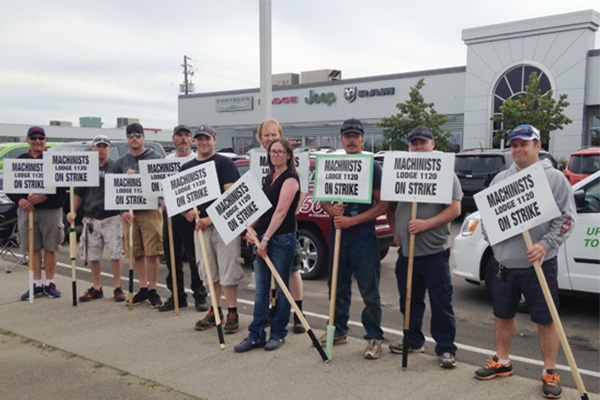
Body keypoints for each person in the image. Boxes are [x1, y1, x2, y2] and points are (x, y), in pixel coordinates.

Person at [474, 125, 576, 399]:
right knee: (502, 315)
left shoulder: (554, 179)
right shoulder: (500, 180)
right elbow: (487, 217)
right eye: (514, 144)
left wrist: (545, 244)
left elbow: (567, 218)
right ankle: (503, 362)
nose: (518, 149)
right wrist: (493, 241)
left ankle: (550, 371)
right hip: (505, 265)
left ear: (538, 145)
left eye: (524, 144)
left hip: (539, 266)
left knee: (546, 319)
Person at [385, 126, 462, 369]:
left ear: (433, 144)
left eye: (422, 143)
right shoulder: (400, 171)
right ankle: (413, 340)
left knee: (441, 302)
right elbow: (390, 207)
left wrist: (425, 224)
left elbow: (455, 209)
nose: (418, 147)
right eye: (414, 143)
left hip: (434, 252)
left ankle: (446, 348)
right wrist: (395, 232)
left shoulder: (445, 172)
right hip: (406, 253)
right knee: (409, 301)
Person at [318, 118, 388, 360]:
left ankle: (374, 337)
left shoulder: (373, 168)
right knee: (336, 286)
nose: (350, 140)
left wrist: (352, 221)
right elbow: (323, 198)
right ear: (341, 140)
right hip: (338, 234)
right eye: (346, 136)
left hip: (363, 237)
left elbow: (383, 204)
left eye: (354, 136)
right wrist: (331, 211)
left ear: (362, 139)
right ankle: (337, 330)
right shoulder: (331, 165)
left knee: (369, 290)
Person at [235, 139, 300, 352]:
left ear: (289, 155)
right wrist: (250, 228)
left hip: (280, 239)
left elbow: (281, 212)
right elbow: (262, 208)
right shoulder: (268, 178)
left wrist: (266, 239)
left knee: (281, 289)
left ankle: (279, 333)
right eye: (273, 151)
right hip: (262, 236)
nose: (276, 155)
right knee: (261, 290)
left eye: (281, 151)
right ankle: (256, 334)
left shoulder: (290, 179)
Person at [180, 124, 243, 334]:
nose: (203, 142)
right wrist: (187, 213)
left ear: (214, 139)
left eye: (207, 138)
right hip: (199, 228)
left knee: (228, 270)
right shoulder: (186, 168)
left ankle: (232, 311)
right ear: (194, 141)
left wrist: (209, 219)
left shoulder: (224, 163)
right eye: (199, 139)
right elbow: (179, 203)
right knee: (208, 271)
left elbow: (231, 196)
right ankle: (215, 310)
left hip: (223, 226)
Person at [254, 118, 306, 334]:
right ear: (260, 138)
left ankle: (296, 315)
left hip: (282, 233)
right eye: (266, 136)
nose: (270, 139)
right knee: (264, 286)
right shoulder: (265, 172)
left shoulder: (292, 172)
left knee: (290, 273)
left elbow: (288, 206)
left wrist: (277, 224)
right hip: (265, 233)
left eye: (274, 135)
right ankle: (269, 318)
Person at [9, 126, 66, 300]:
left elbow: (62, 187)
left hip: (50, 211)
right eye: (33, 138)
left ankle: (49, 283)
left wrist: (45, 196)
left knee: (50, 247)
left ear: (45, 141)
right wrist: (20, 200)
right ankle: (36, 284)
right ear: (27, 140)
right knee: (33, 247)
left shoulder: (52, 160)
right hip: (28, 211)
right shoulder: (21, 160)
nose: (37, 141)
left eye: (41, 138)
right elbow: (12, 186)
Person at [67, 134, 125, 302]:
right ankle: (96, 287)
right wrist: (72, 211)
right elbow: (78, 192)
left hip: (112, 216)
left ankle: (117, 287)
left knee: (115, 253)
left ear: (109, 148)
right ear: (93, 148)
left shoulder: (115, 167)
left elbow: (124, 190)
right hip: (91, 217)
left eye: (104, 146)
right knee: (93, 254)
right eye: (98, 146)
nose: (101, 149)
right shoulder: (86, 168)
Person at [158, 124, 208, 312]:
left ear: (192, 140)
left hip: (191, 216)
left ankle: (200, 295)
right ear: (173, 139)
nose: (183, 139)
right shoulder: (167, 160)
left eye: (187, 136)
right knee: (172, 258)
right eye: (180, 136)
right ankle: (177, 295)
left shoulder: (197, 160)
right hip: (171, 215)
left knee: (195, 257)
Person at [114, 123, 164, 308]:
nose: (134, 138)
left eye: (137, 135)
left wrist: (137, 174)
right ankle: (142, 288)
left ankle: (152, 289)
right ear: (127, 139)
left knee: (153, 252)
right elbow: (114, 192)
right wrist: (123, 211)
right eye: (130, 135)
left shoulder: (156, 158)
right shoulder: (119, 163)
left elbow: (161, 183)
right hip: (129, 214)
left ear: (143, 137)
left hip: (150, 211)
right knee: (136, 252)